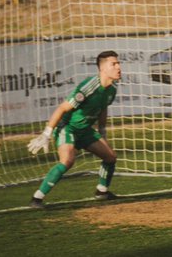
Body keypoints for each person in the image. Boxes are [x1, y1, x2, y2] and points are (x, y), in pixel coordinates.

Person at [27, 50, 121, 208]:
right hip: (68, 128)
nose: (119, 67)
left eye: (118, 63)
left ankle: (102, 191)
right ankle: (37, 198)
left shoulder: (112, 89)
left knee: (110, 157)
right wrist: (46, 134)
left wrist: (102, 132)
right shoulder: (89, 87)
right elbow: (62, 109)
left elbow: (103, 108)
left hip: (85, 131)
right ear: (103, 68)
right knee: (67, 161)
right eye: (114, 64)